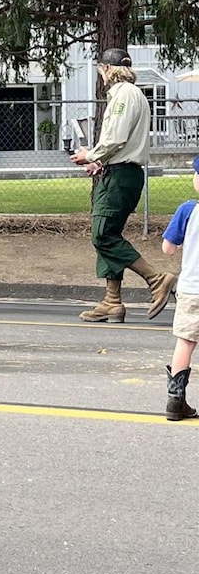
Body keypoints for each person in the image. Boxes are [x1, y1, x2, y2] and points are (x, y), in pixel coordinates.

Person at [70, 47, 176, 323]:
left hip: (121, 176)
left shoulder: (124, 95)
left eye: (101, 70)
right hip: (118, 171)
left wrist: (91, 155)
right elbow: (122, 140)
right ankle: (112, 301)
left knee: (102, 234)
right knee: (109, 233)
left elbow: (116, 136)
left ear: (107, 69)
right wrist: (101, 162)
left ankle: (157, 278)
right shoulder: (132, 94)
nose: (101, 76)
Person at [160, 156, 199, 421]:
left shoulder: (187, 210)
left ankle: (176, 399)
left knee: (185, 340)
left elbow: (168, 248)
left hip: (191, 288)